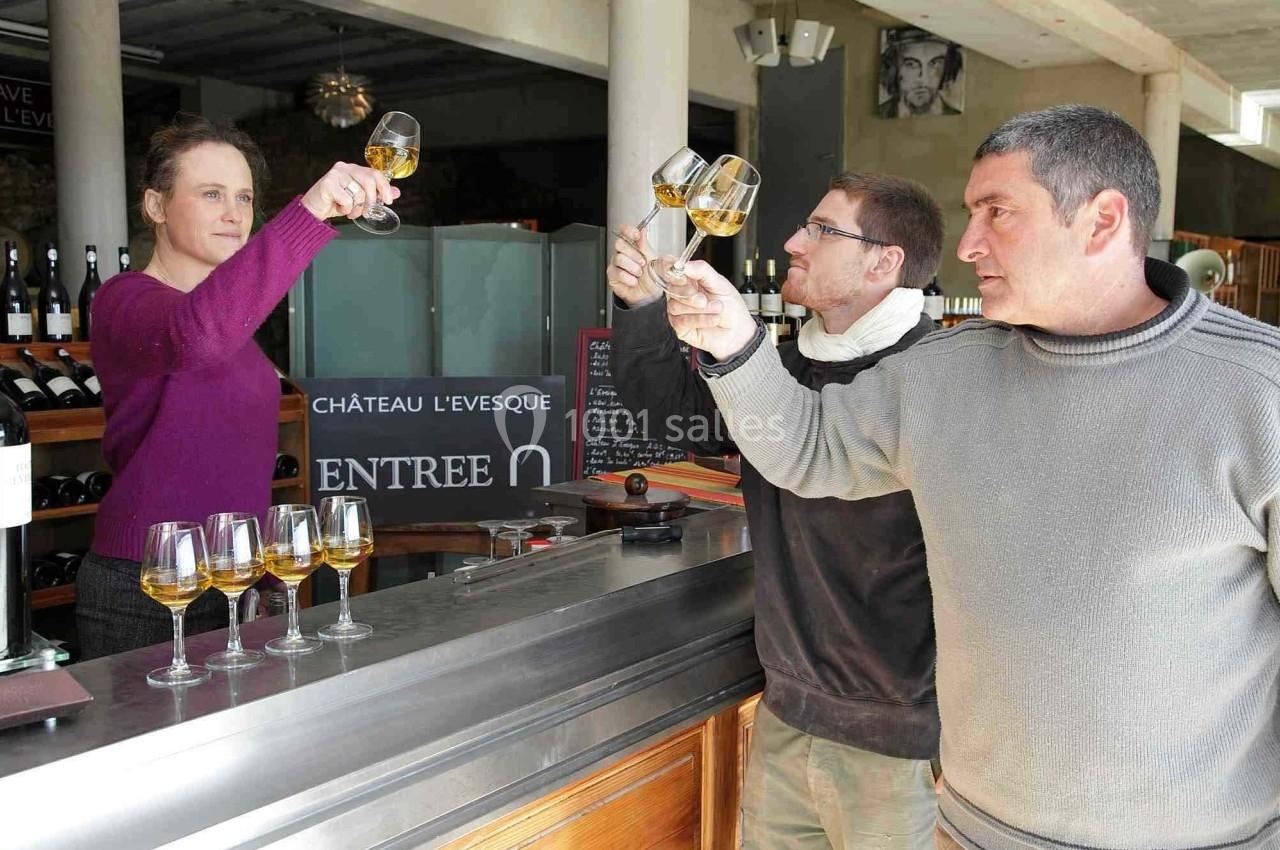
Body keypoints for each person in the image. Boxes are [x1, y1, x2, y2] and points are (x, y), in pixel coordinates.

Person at [663, 104, 1280, 850]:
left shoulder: (1257, 393)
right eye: (970, 213)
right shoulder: (944, 373)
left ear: (1102, 221)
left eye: (998, 212)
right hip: (973, 832)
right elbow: (808, 449)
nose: (969, 243)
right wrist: (733, 341)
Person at [608, 173, 945, 850]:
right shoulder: (785, 366)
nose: (793, 242)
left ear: (885, 261)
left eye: (821, 231)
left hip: (900, 742)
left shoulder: (938, 376)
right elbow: (672, 410)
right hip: (788, 715)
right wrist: (648, 306)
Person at [78, 114, 397, 660]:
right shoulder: (124, 302)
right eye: (211, 194)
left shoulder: (235, 327)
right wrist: (312, 211)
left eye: (245, 198)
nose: (233, 214)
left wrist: (269, 575)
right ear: (155, 207)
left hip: (237, 582)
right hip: (146, 588)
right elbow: (196, 333)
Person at [878, 28, 963, 118]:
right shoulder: (882, 112)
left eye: (935, 63)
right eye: (911, 64)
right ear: (893, 68)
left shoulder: (957, 117)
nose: (923, 79)